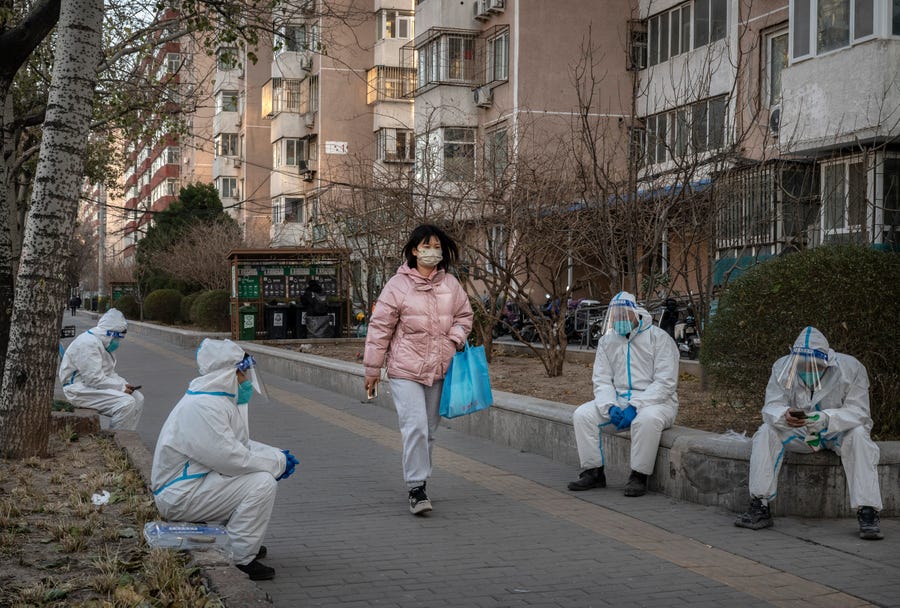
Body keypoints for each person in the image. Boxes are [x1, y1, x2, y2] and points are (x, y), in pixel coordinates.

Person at [151, 339, 299, 580]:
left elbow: (238, 446)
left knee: (253, 477)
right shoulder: (203, 407)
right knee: (261, 483)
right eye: (242, 373)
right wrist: (276, 464)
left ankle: (240, 540)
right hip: (179, 496)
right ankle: (239, 557)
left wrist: (276, 454)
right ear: (228, 374)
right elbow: (230, 458)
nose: (246, 380)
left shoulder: (214, 401)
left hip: (188, 485)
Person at [363, 224, 473, 515]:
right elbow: (379, 327)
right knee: (415, 428)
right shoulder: (397, 285)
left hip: (439, 367)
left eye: (438, 246)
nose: (433, 251)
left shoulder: (450, 284)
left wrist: (454, 339)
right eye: (427, 246)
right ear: (414, 249)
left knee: (429, 431)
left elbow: (465, 316)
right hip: (405, 369)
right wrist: (372, 369)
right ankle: (416, 487)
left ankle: (421, 479)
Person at [735, 326, 884, 540]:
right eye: (801, 364)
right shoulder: (782, 367)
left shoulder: (851, 369)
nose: (806, 368)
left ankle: (868, 510)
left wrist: (826, 419)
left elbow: (860, 412)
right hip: (800, 431)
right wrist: (784, 414)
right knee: (766, 431)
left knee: (859, 435)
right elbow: (771, 406)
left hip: (836, 432)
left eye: (811, 364)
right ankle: (760, 504)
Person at [568, 291, 680, 497]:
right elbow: (601, 380)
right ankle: (593, 472)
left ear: (635, 313)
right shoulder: (608, 341)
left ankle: (639, 476)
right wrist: (609, 406)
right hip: (619, 400)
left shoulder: (659, 339)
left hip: (658, 403)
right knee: (583, 415)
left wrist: (636, 405)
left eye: (623, 315)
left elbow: (666, 383)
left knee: (646, 420)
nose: (619, 320)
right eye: (615, 316)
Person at [58, 308, 144, 430]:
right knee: (126, 404)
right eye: (117, 338)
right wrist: (120, 388)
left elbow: (108, 373)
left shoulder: (102, 344)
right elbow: (93, 379)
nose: (117, 342)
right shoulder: (88, 344)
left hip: (88, 386)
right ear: (109, 334)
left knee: (138, 398)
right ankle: (115, 440)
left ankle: (128, 435)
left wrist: (124, 384)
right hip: (77, 390)